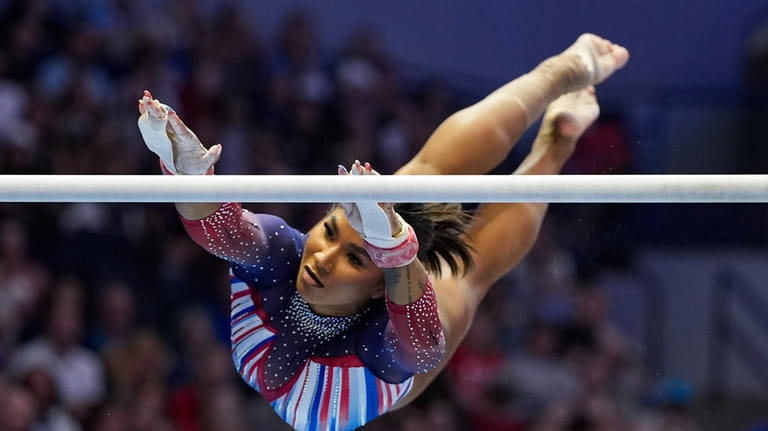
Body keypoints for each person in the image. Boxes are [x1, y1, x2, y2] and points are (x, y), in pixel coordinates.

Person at [136, 33, 629, 431]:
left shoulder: (377, 330)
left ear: (379, 286)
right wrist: (188, 177)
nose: (323, 257)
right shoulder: (289, 258)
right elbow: (224, 231)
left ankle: (556, 72)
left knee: (422, 182)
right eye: (330, 231)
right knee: (469, 266)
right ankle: (557, 141)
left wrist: (391, 252)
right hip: (382, 357)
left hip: (393, 301)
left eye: (353, 258)